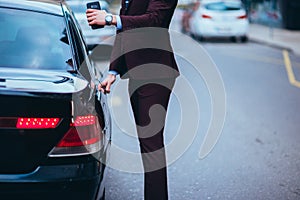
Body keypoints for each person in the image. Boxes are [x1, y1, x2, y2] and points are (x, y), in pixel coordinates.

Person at [87, 0, 179, 199]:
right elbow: (124, 33)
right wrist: (113, 71)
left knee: (151, 145)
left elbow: (155, 20)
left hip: (156, 73)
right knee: (146, 144)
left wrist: (110, 19)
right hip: (135, 72)